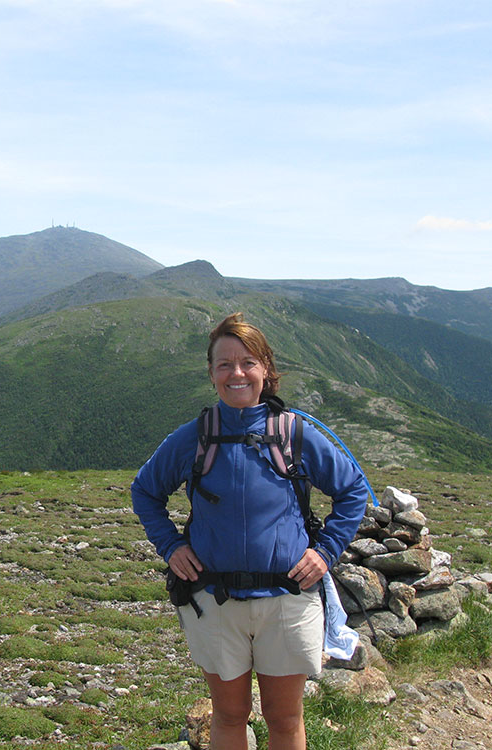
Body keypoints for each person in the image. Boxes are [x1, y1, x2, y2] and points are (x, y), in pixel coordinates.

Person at [131, 312, 369, 750]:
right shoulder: (193, 438)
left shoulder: (295, 434)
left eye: (247, 363)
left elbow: (354, 490)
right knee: (229, 715)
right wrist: (170, 546)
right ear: (211, 373)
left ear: (266, 370)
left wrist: (325, 552)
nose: (236, 373)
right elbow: (145, 491)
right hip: (214, 600)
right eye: (224, 364)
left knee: (284, 717)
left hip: (287, 599)